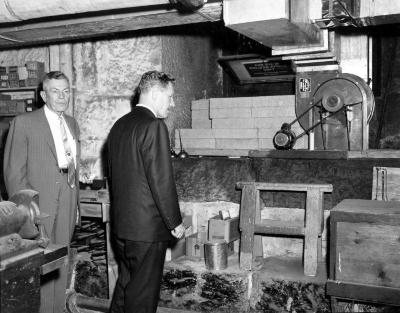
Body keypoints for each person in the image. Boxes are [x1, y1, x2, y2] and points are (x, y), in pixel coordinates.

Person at [108, 70, 185, 313]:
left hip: (123, 227)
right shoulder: (154, 126)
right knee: (142, 300)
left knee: (126, 288)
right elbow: (161, 180)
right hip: (147, 231)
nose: (172, 104)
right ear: (154, 93)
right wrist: (175, 221)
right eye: (170, 97)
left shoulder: (119, 125)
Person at [3, 71, 80, 313]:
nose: (61, 96)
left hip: (66, 201)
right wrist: (25, 212)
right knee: (38, 265)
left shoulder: (72, 123)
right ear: (43, 95)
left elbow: (73, 167)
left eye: (66, 91)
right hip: (39, 204)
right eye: (55, 91)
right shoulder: (24, 123)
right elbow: (13, 172)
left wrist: (75, 205)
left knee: (61, 261)